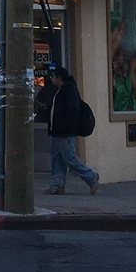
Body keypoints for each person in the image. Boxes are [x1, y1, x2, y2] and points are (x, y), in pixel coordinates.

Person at [44, 66, 100, 196]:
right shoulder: (60, 91)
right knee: (56, 159)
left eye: (53, 77)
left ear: (59, 78)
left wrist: (66, 128)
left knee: (70, 159)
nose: (51, 79)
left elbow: (72, 112)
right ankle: (57, 186)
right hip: (57, 132)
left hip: (65, 133)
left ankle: (91, 177)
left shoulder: (69, 90)